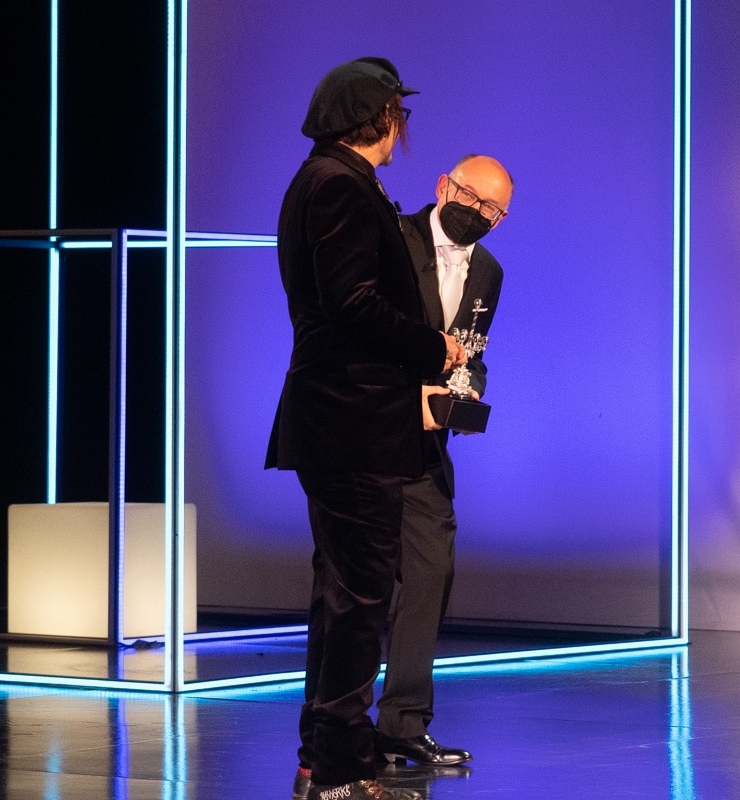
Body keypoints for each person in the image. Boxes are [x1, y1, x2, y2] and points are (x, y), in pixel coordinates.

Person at [266, 57, 466, 800]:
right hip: (350, 420)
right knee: (357, 602)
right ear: (381, 116)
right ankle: (339, 771)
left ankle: (322, 759)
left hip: (344, 420)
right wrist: (431, 346)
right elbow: (351, 303)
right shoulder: (338, 185)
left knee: (344, 597)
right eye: (397, 114)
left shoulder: (332, 180)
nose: (401, 127)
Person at [375, 155, 512, 767]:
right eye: (471, 197)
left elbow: (472, 351)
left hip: (427, 449)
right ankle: (335, 733)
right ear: (442, 186)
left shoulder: (488, 271)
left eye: (493, 210)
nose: (478, 213)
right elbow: (361, 332)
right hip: (367, 433)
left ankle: (402, 722)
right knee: (354, 585)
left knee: (431, 573)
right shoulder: (391, 238)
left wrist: (467, 388)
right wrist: (412, 393)